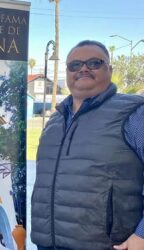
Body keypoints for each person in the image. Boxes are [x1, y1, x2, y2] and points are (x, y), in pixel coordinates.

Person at [31, 40, 144, 250]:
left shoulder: (134, 113)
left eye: (94, 63)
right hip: (47, 244)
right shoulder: (55, 121)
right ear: (67, 72)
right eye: (75, 65)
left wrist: (142, 235)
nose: (83, 68)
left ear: (109, 69)